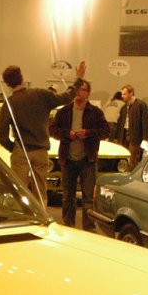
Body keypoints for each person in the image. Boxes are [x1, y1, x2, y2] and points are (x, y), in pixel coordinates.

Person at [0, 61, 86, 205]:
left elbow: (1, 135)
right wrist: (78, 79)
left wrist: (13, 148)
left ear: (7, 84)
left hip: (22, 151)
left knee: (19, 192)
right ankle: (41, 214)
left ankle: (21, 215)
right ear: (22, 77)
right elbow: (66, 97)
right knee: (40, 191)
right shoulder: (41, 94)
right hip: (41, 151)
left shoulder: (10, 103)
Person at [50, 79, 110, 231]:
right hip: (68, 159)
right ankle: (68, 226)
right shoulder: (64, 111)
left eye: (82, 89)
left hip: (87, 159)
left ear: (88, 93)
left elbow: (106, 131)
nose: (78, 92)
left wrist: (88, 133)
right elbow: (53, 130)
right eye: (77, 89)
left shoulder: (95, 112)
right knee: (67, 197)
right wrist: (68, 134)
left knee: (88, 198)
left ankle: (88, 228)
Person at [115, 84, 148, 170]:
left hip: (135, 136)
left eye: (124, 94)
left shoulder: (140, 105)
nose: (122, 96)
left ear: (131, 93)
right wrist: (117, 138)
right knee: (124, 158)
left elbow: (145, 122)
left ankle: (131, 173)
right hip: (124, 135)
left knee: (133, 159)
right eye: (122, 94)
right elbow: (120, 123)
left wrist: (146, 138)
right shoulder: (124, 107)